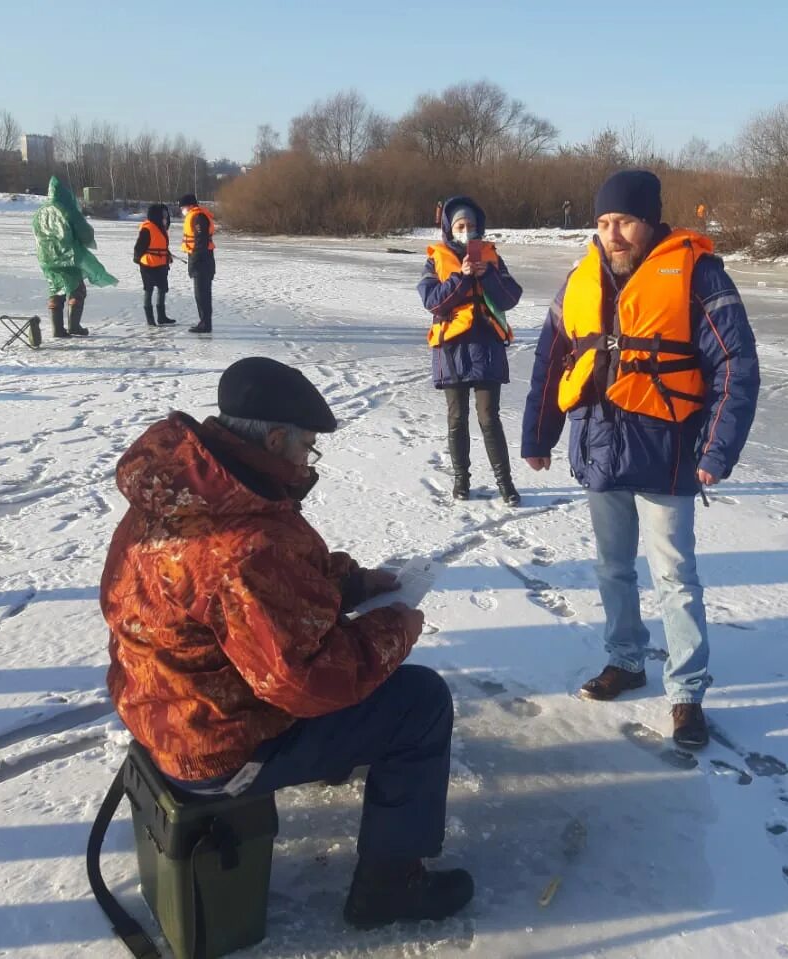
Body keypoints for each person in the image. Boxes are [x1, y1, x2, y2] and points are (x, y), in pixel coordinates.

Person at [101, 356, 473, 929]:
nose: (308, 460)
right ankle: (390, 887)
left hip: (158, 704)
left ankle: (333, 758)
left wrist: (348, 583)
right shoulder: (245, 543)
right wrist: (396, 627)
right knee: (420, 701)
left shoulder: (183, 489)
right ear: (275, 439)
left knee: (353, 675)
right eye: (306, 446)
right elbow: (306, 682)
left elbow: (247, 599)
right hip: (212, 746)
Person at [521, 170, 760, 749]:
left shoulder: (698, 275)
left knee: (675, 576)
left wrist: (717, 450)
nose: (613, 234)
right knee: (612, 569)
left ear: (651, 221)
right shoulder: (580, 280)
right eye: (603, 223)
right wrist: (538, 434)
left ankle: (686, 692)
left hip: (667, 452)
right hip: (599, 447)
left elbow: (736, 365)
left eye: (623, 221)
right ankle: (626, 661)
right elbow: (552, 360)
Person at [417, 196, 523, 506]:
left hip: (486, 347)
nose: (467, 232)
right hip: (452, 350)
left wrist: (486, 275)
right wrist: (461, 278)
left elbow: (510, 297)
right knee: (456, 418)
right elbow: (432, 301)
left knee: (490, 418)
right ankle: (461, 481)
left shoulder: (491, 258)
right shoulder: (435, 260)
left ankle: (506, 483)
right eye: (461, 226)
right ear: (450, 229)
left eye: (472, 226)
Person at [31, 176, 117, 339]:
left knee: (55, 288)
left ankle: (57, 329)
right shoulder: (66, 209)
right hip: (68, 256)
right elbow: (84, 232)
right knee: (77, 289)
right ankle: (74, 326)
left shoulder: (40, 212)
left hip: (47, 257)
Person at [132, 203, 176, 328]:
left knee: (162, 289)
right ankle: (150, 320)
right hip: (148, 265)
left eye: (166, 215)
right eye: (163, 215)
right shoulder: (148, 228)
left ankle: (162, 317)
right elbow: (139, 247)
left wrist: (167, 255)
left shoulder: (162, 228)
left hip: (161, 264)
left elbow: (162, 245)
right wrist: (137, 259)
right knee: (149, 290)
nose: (165, 218)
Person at [178, 194, 215, 334]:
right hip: (200, 258)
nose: (182, 210)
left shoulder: (198, 217)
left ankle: (205, 324)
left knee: (202, 294)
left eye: (182, 206)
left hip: (202, 260)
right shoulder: (195, 216)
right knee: (201, 294)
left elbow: (201, 241)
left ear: (189, 205)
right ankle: (204, 322)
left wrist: (194, 261)